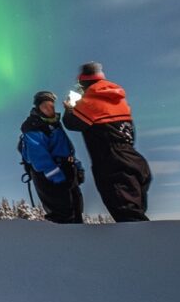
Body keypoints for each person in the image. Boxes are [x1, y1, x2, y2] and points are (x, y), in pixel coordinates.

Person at [63, 62, 151, 222]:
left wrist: (70, 108)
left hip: (111, 162)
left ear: (83, 82)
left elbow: (71, 123)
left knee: (129, 219)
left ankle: (145, 247)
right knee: (136, 212)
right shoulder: (118, 99)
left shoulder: (90, 101)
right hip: (134, 160)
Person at [19, 91, 84, 223]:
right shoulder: (33, 127)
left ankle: (79, 241)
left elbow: (64, 149)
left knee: (76, 209)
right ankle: (61, 242)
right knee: (62, 214)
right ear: (38, 108)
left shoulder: (54, 124)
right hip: (49, 175)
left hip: (66, 170)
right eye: (45, 106)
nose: (49, 109)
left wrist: (77, 168)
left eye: (52, 106)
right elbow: (38, 157)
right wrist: (57, 176)